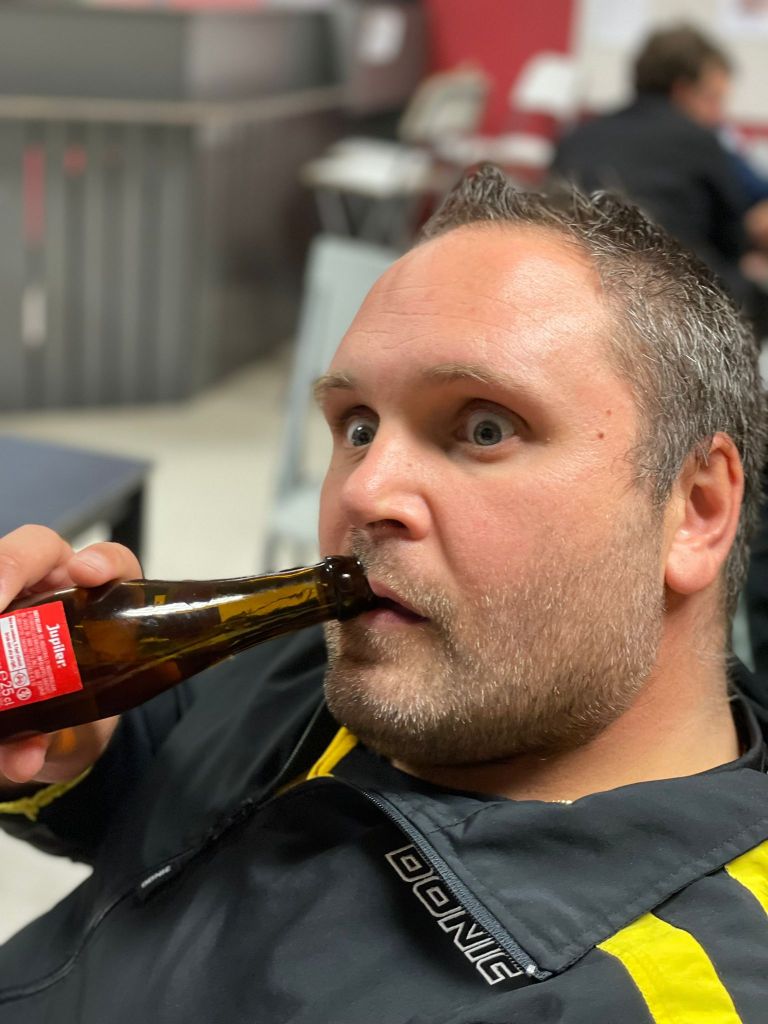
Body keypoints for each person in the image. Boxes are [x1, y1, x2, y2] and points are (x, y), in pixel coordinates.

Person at [0, 165, 767, 1022]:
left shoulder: (664, 995)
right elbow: (173, 771)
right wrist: (78, 742)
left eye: (484, 427)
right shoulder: (355, 653)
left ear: (697, 509)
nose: (365, 492)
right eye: (358, 427)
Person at [550, 23, 768, 309]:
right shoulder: (698, 140)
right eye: (713, 99)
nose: (719, 114)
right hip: (677, 296)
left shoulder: (577, 138)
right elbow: (732, 237)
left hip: (578, 290)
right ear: (682, 91)